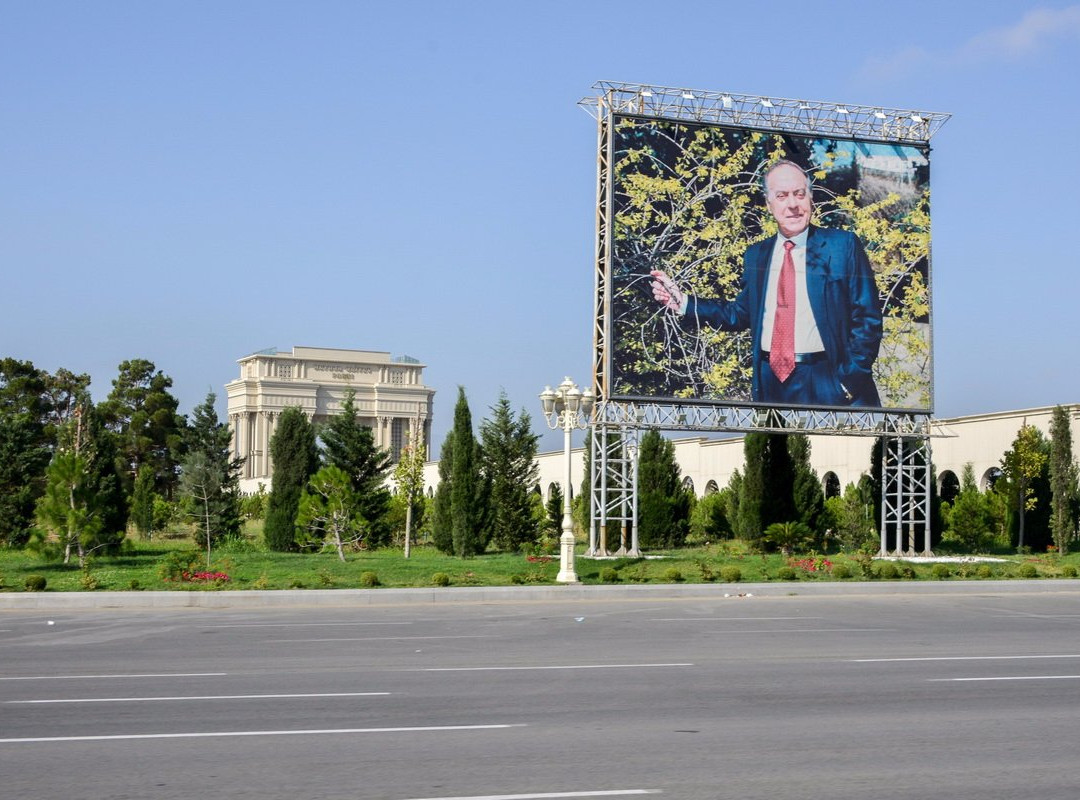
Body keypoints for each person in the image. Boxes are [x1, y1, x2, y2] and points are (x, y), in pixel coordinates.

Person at [649, 159, 882, 407]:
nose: (793, 204)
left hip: (828, 380)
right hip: (771, 383)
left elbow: (868, 318)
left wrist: (847, 384)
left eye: (799, 194)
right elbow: (739, 314)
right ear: (769, 204)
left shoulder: (842, 246)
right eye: (781, 196)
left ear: (810, 197)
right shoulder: (756, 255)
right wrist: (684, 302)